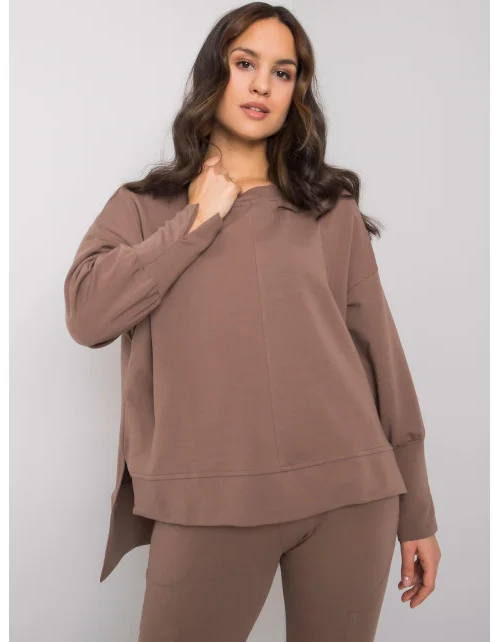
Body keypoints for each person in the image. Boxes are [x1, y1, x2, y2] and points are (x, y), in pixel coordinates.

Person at [63, 3, 441, 640]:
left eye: (282, 72)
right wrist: (197, 221)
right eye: (245, 64)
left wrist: (418, 514)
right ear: (215, 73)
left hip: (351, 495)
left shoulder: (331, 210)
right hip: (207, 501)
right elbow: (86, 315)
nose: (263, 85)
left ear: (297, 92)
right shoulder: (145, 207)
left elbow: (381, 357)